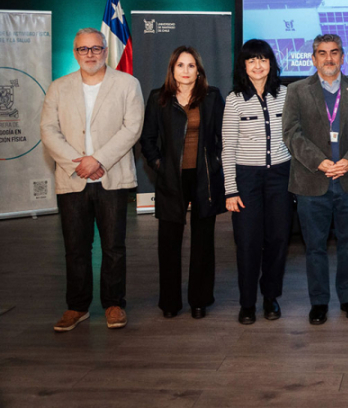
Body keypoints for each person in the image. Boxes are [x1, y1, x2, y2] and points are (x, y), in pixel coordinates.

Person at [40, 27, 143, 331]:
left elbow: (132, 127)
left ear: (105, 51)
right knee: (75, 247)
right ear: (75, 53)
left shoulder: (127, 84)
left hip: (112, 176)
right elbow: (48, 130)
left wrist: (98, 160)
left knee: (114, 246)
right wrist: (80, 164)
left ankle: (113, 304)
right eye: (83, 49)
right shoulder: (58, 87)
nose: (90, 54)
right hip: (72, 180)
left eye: (96, 48)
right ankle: (77, 306)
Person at [283, 34, 348, 325]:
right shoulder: (296, 90)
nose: (329, 58)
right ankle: (318, 302)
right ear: (313, 58)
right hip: (311, 181)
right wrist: (319, 162)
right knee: (315, 247)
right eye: (322, 53)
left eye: (334, 53)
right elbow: (292, 134)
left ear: (343, 57)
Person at [140, 46, 225, 319]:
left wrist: (216, 165)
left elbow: (223, 137)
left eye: (191, 65)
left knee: (203, 244)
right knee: (168, 244)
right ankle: (170, 303)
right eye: (180, 65)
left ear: (198, 70)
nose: (186, 70)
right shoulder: (158, 98)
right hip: (171, 180)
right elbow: (148, 140)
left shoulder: (212, 97)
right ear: (172, 69)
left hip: (204, 178)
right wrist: (160, 167)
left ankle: (199, 300)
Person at [222, 39, 293, 325]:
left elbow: (294, 136)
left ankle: (270, 297)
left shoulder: (287, 94)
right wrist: (231, 189)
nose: (258, 65)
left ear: (271, 63)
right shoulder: (235, 99)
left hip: (280, 177)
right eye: (251, 60)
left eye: (263, 59)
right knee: (248, 242)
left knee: (278, 240)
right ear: (243, 65)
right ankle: (247, 302)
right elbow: (228, 146)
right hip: (247, 179)